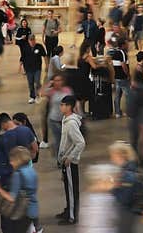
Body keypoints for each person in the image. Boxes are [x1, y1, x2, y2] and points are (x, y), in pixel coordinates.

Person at [0, 146, 39, 233]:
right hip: (33, 209)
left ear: (17, 159)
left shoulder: (18, 174)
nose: (11, 163)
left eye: (12, 160)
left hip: (22, 212)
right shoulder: (31, 170)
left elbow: (12, 197)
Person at [57, 95, 86, 225]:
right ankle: (69, 209)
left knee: (71, 189)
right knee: (68, 189)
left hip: (70, 163)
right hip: (65, 161)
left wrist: (70, 157)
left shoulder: (72, 123)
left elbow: (80, 143)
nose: (60, 107)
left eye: (63, 105)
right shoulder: (65, 119)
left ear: (69, 107)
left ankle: (72, 216)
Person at [20, 34, 47, 104]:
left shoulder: (39, 47)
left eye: (33, 40)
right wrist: (21, 67)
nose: (32, 42)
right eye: (31, 40)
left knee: (37, 82)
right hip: (28, 69)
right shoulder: (25, 47)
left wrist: (47, 65)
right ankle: (32, 96)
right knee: (30, 83)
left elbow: (44, 56)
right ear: (28, 41)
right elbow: (22, 58)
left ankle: (37, 95)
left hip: (37, 68)